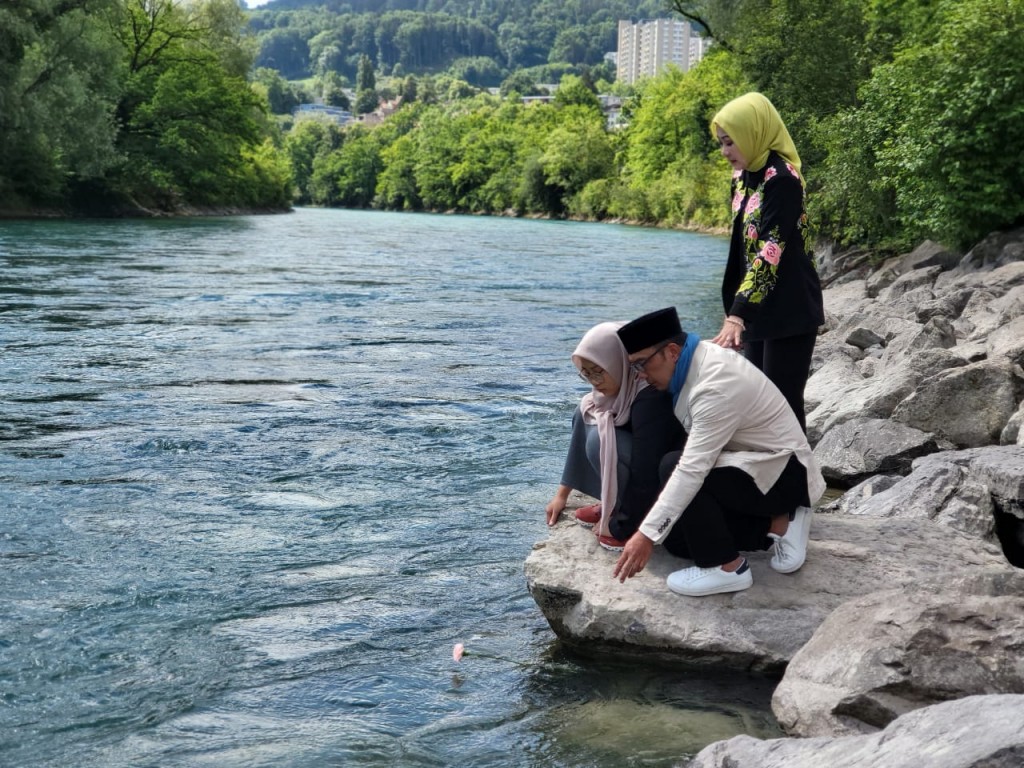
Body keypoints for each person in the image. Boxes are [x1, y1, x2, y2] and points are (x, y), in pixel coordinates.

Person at [611, 307, 826, 597]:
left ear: (672, 352)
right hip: (753, 464)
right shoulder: (696, 361)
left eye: (641, 365)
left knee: (673, 466)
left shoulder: (715, 385)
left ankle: (726, 569)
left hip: (783, 473)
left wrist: (645, 535)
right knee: (677, 541)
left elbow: (691, 469)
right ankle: (779, 523)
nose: (640, 376)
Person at [709, 92, 824, 432]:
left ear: (752, 134)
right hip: (758, 308)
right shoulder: (743, 177)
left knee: (781, 406)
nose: (725, 152)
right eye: (721, 143)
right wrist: (735, 308)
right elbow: (740, 248)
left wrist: (737, 314)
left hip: (790, 307)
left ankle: (799, 483)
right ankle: (768, 483)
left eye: (730, 143)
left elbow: (770, 250)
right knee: (755, 404)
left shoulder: (783, 180)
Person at [545, 322, 682, 552]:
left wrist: (620, 525)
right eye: (586, 373)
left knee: (599, 440)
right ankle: (614, 503)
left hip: (664, 480)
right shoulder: (616, 387)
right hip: (646, 469)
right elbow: (581, 430)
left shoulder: (649, 394)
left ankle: (629, 514)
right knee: (586, 410)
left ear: (618, 361)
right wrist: (562, 495)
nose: (594, 381)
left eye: (598, 371)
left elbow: (645, 470)